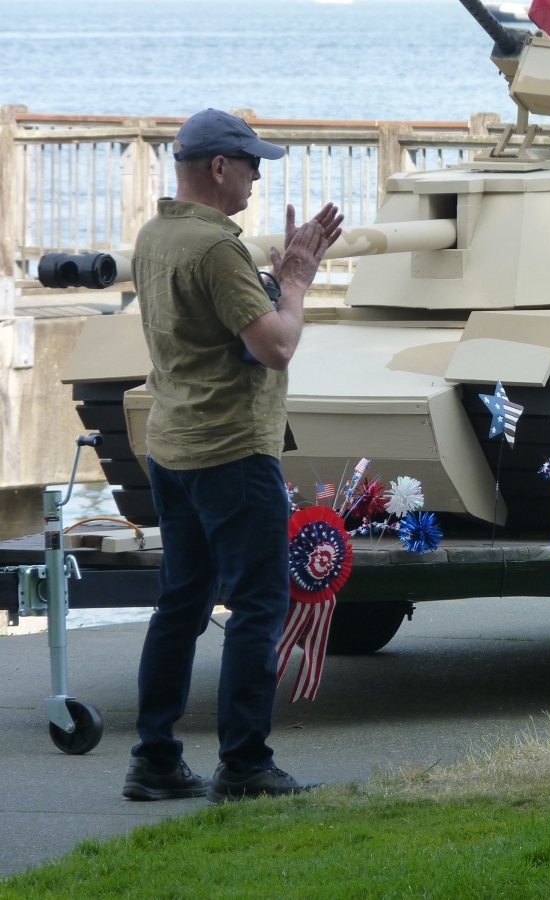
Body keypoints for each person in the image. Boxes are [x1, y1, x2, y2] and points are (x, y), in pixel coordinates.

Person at [120, 109, 342, 803]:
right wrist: (298, 281)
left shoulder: (156, 235)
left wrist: (271, 287)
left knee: (181, 605)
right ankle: (245, 763)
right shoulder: (218, 250)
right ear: (219, 167)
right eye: (251, 164)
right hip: (232, 453)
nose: (256, 176)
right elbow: (273, 345)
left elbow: (224, 332)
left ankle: (154, 758)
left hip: (174, 447)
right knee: (259, 605)